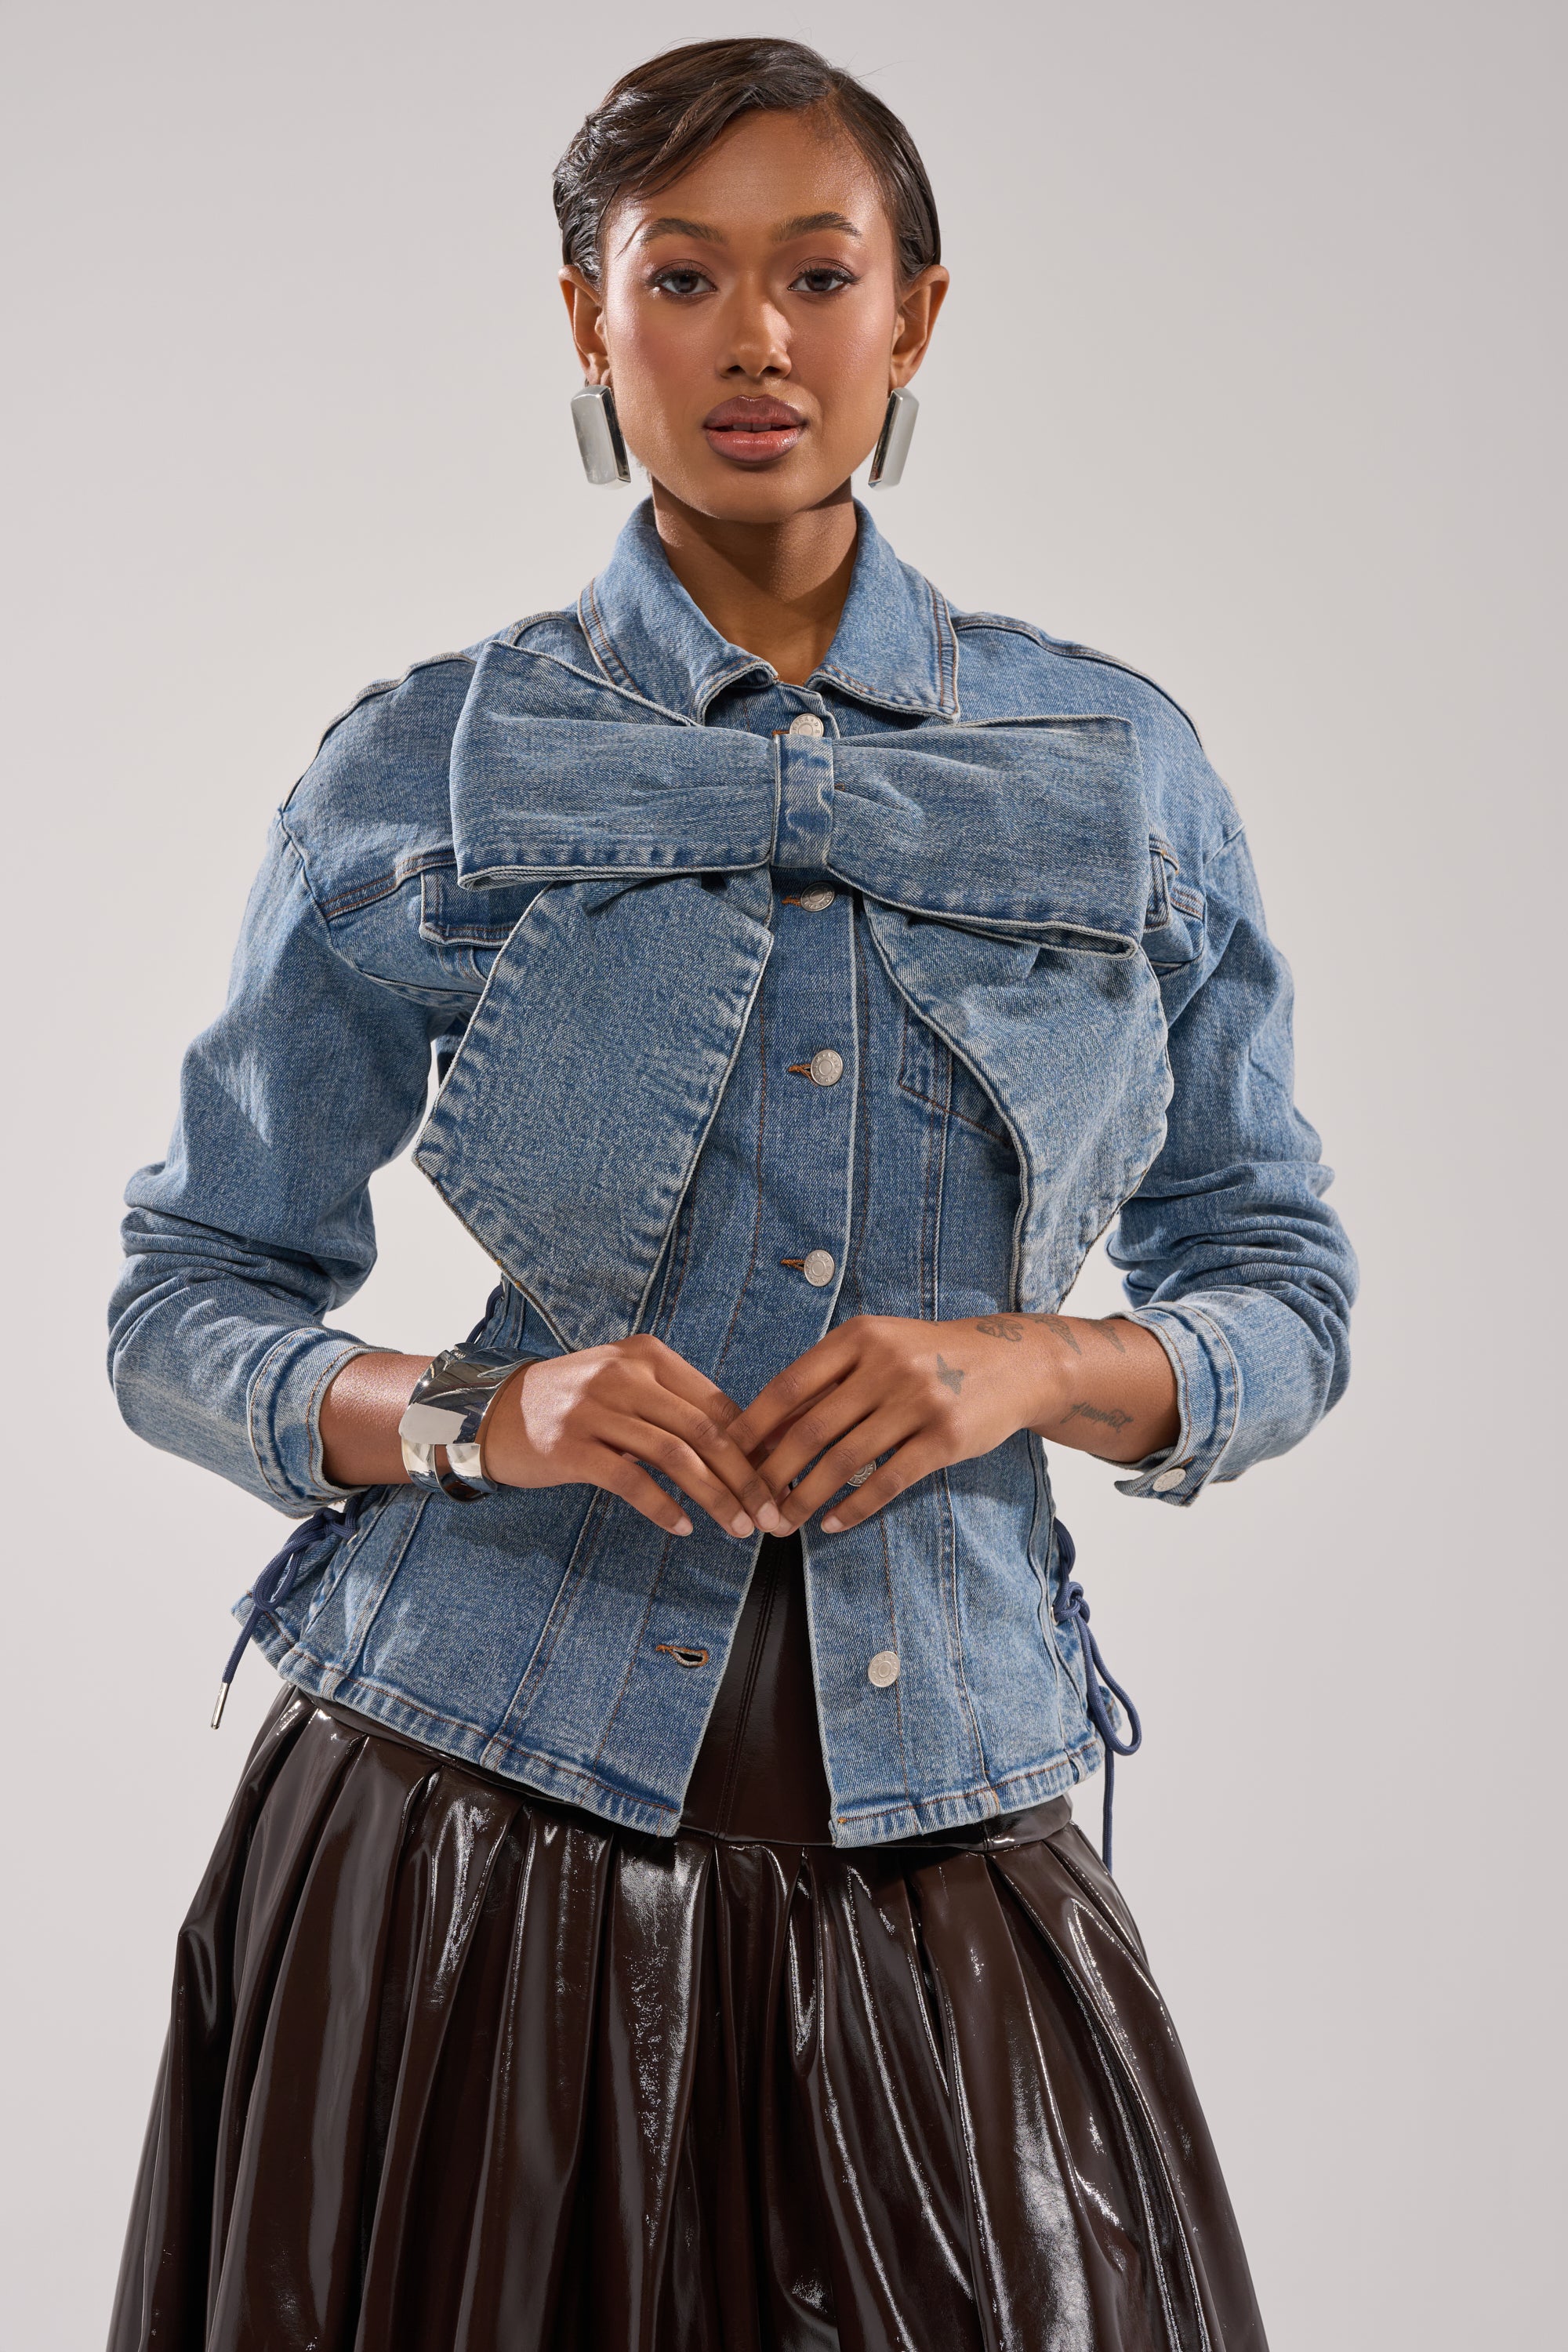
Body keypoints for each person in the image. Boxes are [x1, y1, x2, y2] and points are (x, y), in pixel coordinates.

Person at [106, 37, 1355, 2352]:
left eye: (816, 274)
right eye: (683, 277)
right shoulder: (427, 763)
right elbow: (187, 1295)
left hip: (949, 1823)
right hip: (456, 1848)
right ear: (591, 318)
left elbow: (1275, 1281)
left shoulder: (1117, 772)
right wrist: (488, 1417)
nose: (755, 339)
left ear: (917, 316)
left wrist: (1040, 1365)